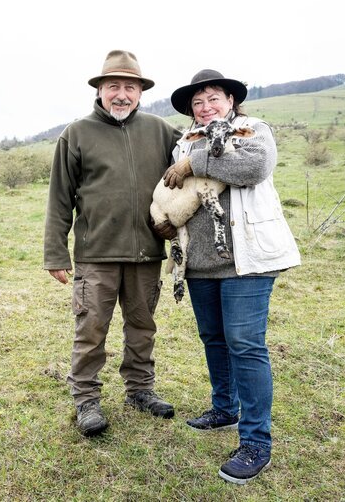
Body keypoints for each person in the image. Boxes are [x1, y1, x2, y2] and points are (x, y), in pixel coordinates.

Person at [158, 69, 301, 483]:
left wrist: (192, 162)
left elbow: (252, 167)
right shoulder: (185, 142)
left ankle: (256, 441)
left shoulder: (252, 130)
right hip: (200, 264)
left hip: (247, 262)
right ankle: (224, 408)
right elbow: (177, 192)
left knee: (245, 345)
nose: (205, 107)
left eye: (213, 98)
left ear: (231, 101)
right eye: (197, 102)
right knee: (214, 339)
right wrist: (164, 222)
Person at [44, 50, 183, 437]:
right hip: (96, 254)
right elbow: (60, 198)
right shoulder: (77, 133)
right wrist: (55, 252)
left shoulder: (161, 131)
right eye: (113, 86)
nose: (121, 94)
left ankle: (140, 389)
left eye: (130, 87)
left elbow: (199, 154)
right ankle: (86, 400)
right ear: (100, 90)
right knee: (92, 329)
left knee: (142, 326)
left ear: (140, 91)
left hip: (146, 253)